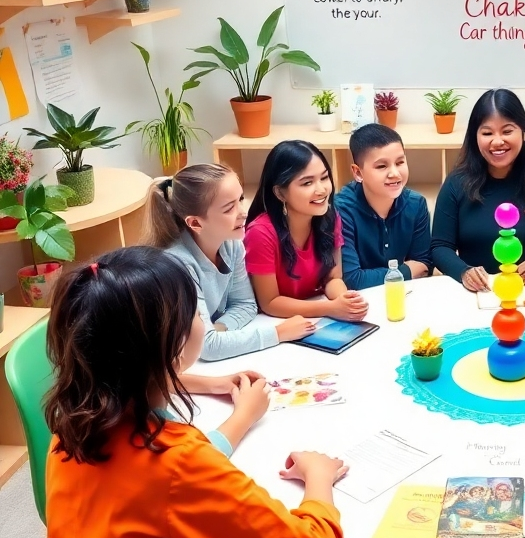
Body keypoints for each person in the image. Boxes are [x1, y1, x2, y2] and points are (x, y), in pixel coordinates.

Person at [42, 247, 424, 538]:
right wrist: (320, 483)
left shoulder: (72, 431)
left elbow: (160, 491)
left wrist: (200, 383)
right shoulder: (178, 462)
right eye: (193, 313)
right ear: (172, 344)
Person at [145, 164, 316, 362]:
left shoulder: (232, 245)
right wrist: (277, 333)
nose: (243, 212)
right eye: (229, 208)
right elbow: (206, 347)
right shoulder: (178, 265)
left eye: (241, 199)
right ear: (195, 223)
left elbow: (245, 304)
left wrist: (218, 330)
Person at [431, 89, 525, 290]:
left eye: (507, 131)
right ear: (475, 136)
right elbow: (440, 247)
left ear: (524, 131)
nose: (497, 141)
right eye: (487, 133)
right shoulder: (456, 184)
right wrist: (464, 272)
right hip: (476, 294)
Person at [244, 140, 369, 322]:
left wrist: (345, 301)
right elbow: (269, 302)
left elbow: (333, 278)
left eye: (324, 178)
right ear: (280, 193)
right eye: (307, 183)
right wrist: (330, 308)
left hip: (315, 316)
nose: (321, 190)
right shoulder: (260, 233)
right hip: (276, 323)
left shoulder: (330, 217)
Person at [335, 124, 433, 290]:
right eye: (382, 166)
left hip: (404, 296)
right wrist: (407, 270)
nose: (394, 173)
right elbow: (352, 279)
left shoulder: (416, 205)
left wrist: (375, 276)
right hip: (360, 302)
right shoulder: (341, 209)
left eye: (400, 162)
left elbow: (424, 267)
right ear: (358, 173)